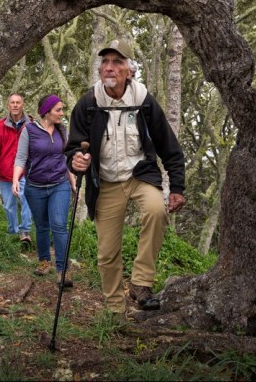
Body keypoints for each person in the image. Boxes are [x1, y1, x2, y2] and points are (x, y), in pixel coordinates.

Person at [65, 39, 186, 314]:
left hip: (139, 175)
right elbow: (73, 146)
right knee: (107, 252)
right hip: (105, 182)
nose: (109, 67)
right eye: (105, 62)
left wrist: (177, 186)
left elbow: (169, 147)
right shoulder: (88, 104)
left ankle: (141, 283)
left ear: (129, 70)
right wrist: (77, 160)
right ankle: (116, 310)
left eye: (117, 62)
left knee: (156, 209)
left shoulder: (143, 102)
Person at [13, 94, 77, 287]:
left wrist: (73, 183)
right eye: (58, 110)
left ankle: (62, 270)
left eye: (62, 109)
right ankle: (44, 261)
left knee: (59, 225)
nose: (61, 113)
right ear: (47, 112)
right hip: (35, 186)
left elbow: (67, 159)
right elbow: (21, 157)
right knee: (42, 226)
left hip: (59, 184)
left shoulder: (62, 131)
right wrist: (16, 179)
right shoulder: (29, 130)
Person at [0, 93, 34, 243]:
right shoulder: (0, 126)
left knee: (27, 201)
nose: (15, 105)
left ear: (22, 105)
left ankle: (25, 232)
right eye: (12, 102)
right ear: (8, 105)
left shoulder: (31, 125)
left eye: (18, 102)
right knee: (9, 206)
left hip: (26, 173)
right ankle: (13, 232)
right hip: (6, 174)